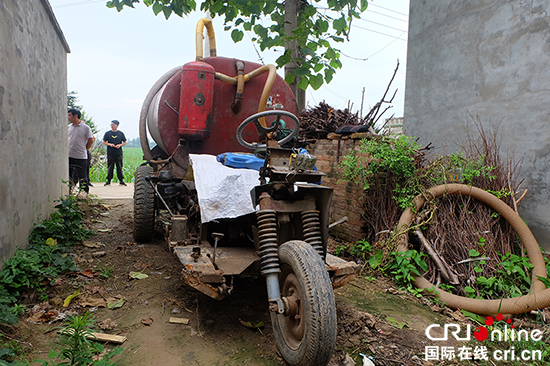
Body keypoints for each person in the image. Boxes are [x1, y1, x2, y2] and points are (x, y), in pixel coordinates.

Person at [68, 108, 94, 193]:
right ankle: (69, 192)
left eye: (70, 115)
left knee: (82, 176)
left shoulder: (85, 128)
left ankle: (83, 193)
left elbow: (91, 140)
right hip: (69, 155)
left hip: (81, 156)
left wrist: (86, 148)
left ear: (75, 116)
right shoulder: (68, 127)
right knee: (69, 176)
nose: (68, 117)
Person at [102, 120, 127, 186]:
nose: (112, 126)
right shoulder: (108, 133)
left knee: (119, 166)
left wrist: (119, 145)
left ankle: (121, 180)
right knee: (110, 167)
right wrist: (110, 144)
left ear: (117, 125)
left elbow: (125, 142)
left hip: (118, 153)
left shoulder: (121, 133)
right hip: (110, 153)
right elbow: (104, 142)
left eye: (113, 125)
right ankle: (108, 180)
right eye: (111, 125)